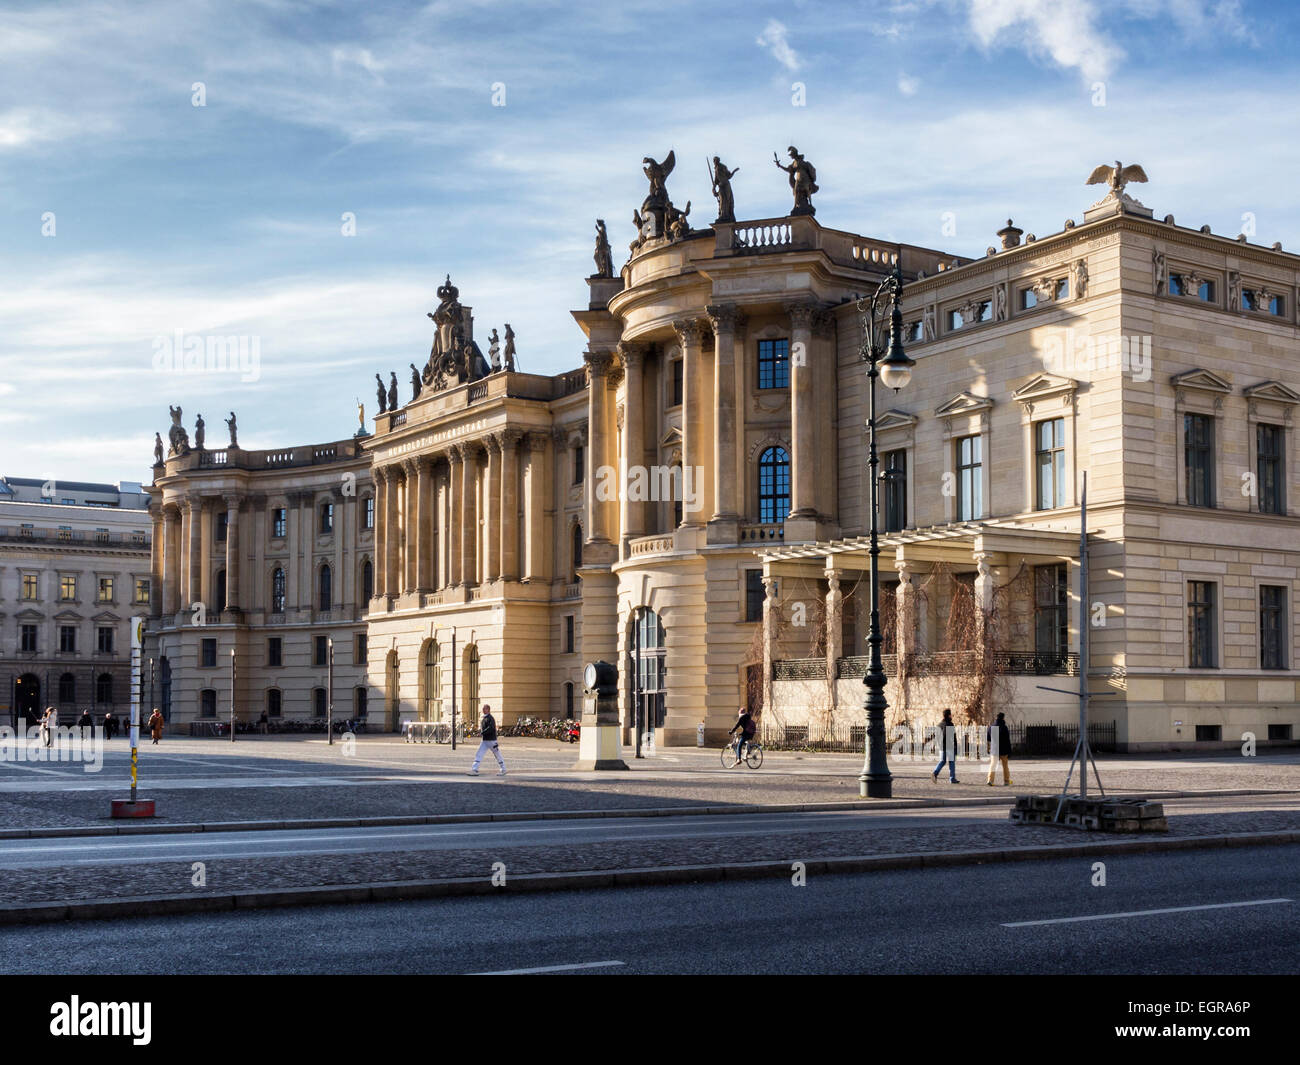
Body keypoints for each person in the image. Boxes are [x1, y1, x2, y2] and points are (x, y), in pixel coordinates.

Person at [469, 704, 506, 776]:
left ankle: (503, 769)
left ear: (488, 710)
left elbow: (491, 728)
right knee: (479, 753)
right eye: (483, 709)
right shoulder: (485, 718)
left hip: (491, 740)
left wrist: (482, 732)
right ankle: (474, 769)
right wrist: (482, 732)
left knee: (497, 754)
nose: (483, 710)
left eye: (484, 709)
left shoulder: (490, 718)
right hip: (485, 740)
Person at [932, 708, 960, 783]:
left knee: (942, 761)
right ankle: (952, 778)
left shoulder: (939, 725)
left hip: (941, 746)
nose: (951, 716)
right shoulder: (950, 724)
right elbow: (953, 737)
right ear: (948, 715)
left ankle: (935, 772)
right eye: (951, 715)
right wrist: (955, 745)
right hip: (949, 746)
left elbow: (936, 736)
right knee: (951, 762)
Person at [986, 711, 1013, 786]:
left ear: (996, 718)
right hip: (1004, 750)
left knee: (992, 765)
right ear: (1003, 718)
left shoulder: (991, 727)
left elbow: (988, 738)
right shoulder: (1004, 727)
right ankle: (1006, 781)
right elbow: (1007, 740)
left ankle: (990, 780)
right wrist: (1009, 751)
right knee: (1005, 766)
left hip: (994, 749)